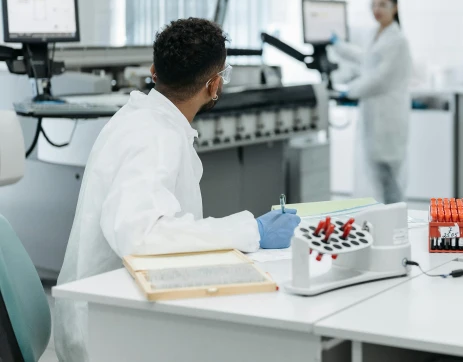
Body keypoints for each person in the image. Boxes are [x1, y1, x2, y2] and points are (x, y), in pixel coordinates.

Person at [55, 18, 300, 362]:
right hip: (109, 331)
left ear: (155, 71)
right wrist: (252, 230)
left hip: (120, 307)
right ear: (214, 86)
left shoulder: (143, 119)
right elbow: (142, 236)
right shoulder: (155, 137)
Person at [331, 0, 413, 203]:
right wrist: (338, 45)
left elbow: (380, 78)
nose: (376, 9)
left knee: (388, 177)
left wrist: (350, 91)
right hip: (374, 116)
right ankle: (383, 221)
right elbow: (366, 58)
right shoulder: (376, 34)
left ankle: (395, 223)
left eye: (382, 4)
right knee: (377, 175)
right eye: (373, 4)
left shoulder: (398, 40)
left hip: (387, 118)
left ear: (395, 7)